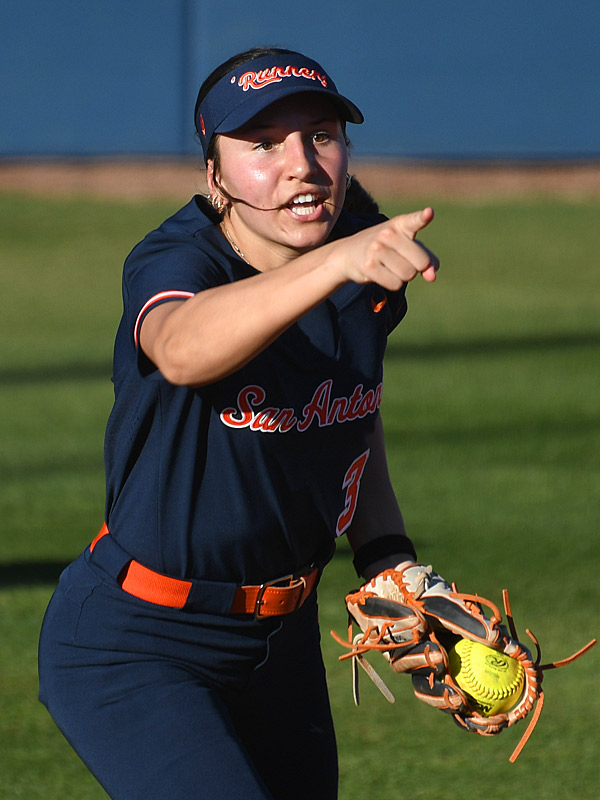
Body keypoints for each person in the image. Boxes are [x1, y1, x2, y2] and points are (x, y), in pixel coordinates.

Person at [38, 46, 439, 800]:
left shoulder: (362, 254)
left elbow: (349, 408)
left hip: (281, 648)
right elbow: (182, 350)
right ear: (214, 174)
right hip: (137, 642)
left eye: (321, 136)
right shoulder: (178, 259)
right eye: (262, 144)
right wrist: (334, 263)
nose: (301, 165)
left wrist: (388, 558)